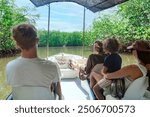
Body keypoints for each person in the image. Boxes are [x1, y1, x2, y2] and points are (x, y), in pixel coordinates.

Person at [6, 23, 62, 100]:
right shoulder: (52, 66)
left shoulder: (10, 66)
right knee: (56, 82)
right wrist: (60, 98)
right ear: (37, 40)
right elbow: (57, 89)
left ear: (17, 44)